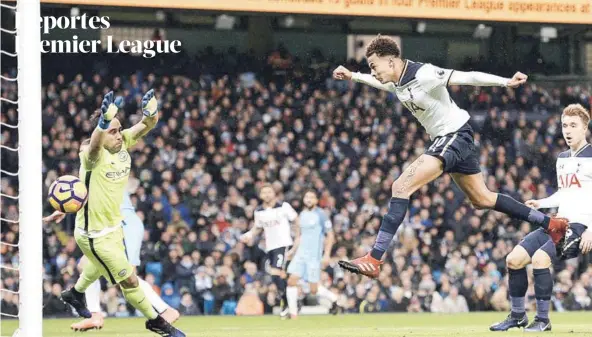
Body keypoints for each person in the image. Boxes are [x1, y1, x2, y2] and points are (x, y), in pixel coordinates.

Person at [332, 34, 568, 279]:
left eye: (374, 66)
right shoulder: (396, 80)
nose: (373, 71)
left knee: (400, 186)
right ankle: (551, 224)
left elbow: (467, 77)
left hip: (453, 135)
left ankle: (373, 259)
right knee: (482, 199)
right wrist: (353, 76)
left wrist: (505, 82)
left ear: (391, 62)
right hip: (454, 138)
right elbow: (380, 83)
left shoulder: (423, 74)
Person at [58, 90, 185, 337]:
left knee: (96, 266)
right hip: (93, 234)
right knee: (128, 279)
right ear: (100, 132)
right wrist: (103, 124)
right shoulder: (92, 155)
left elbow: (146, 125)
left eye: (118, 130)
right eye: (112, 131)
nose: (118, 135)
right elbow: (94, 144)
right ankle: (157, 322)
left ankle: (75, 293)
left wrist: (152, 112)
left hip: (114, 226)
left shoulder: (123, 142)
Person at [490, 104, 592, 332]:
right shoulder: (563, 158)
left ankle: (543, 320)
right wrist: (542, 202)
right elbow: (564, 194)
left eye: (573, 126)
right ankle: (517, 316)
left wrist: (591, 230)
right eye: (565, 125)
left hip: (579, 226)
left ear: (585, 127)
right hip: (558, 222)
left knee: (540, 259)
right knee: (513, 259)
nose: (568, 130)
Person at [43, 191, 180, 331]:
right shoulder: (98, 176)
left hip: (123, 224)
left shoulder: (103, 173)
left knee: (127, 277)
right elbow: (89, 196)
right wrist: (65, 209)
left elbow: (90, 194)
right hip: (112, 226)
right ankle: (94, 314)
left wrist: (64, 208)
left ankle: (164, 310)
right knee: (86, 265)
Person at [239, 184, 298, 315]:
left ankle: (287, 304)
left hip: (283, 244)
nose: (267, 195)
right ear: (260, 195)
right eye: (264, 192)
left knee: (277, 273)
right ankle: (291, 303)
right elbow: (257, 227)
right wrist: (248, 235)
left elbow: (296, 221)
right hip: (270, 247)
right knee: (278, 276)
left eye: (269, 192)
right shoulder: (259, 211)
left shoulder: (283, 207)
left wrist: (297, 239)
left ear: (274, 193)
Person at [284, 190, 339, 319]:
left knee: (313, 290)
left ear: (316, 200)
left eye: (311, 197)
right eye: (306, 197)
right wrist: (292, 251)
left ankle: (334, 299)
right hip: (301, 254)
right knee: (291, 281)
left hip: (314, 256)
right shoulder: (301, 214)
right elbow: (299, 236)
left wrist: (327, 255)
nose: (308, 199)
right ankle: (293, 314)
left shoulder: (321, 215)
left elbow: (330, 235)